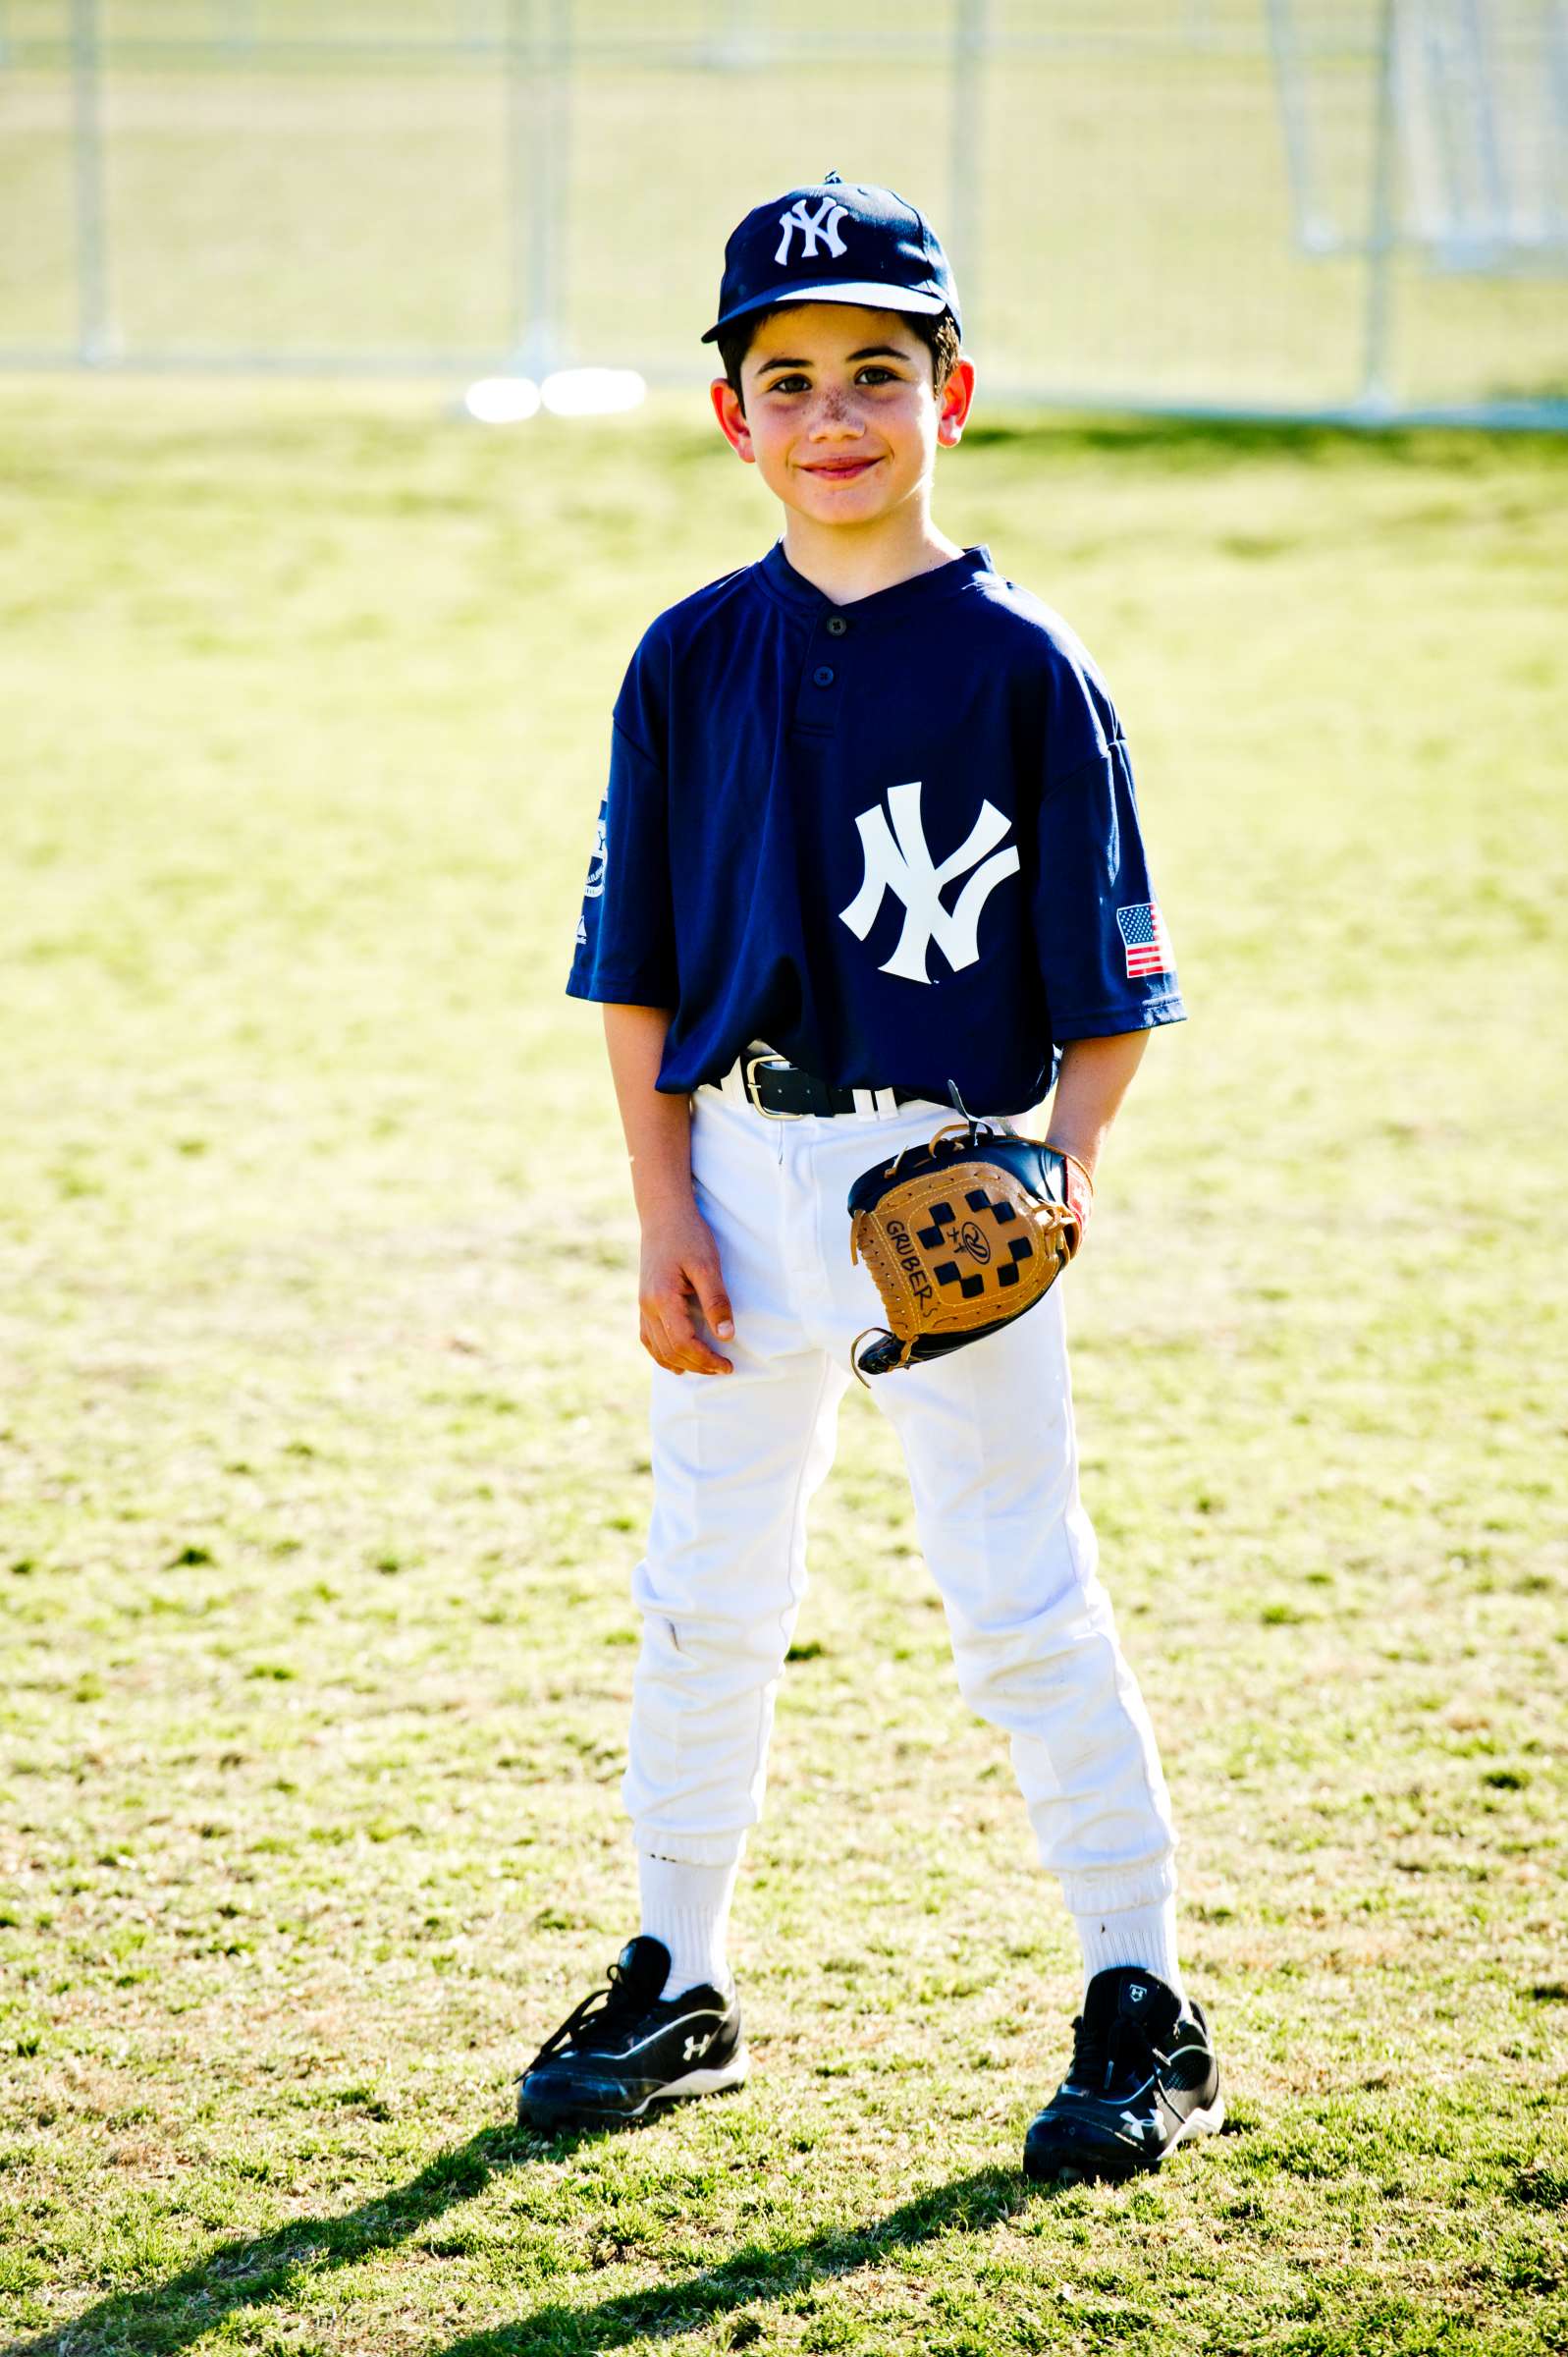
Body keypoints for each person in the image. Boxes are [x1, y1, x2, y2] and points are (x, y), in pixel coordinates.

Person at [518, 173, 1223, 2181]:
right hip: (735, 1166)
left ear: (952, 394)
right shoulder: (684, 657)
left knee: (1018, 1601)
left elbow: (1115, 985)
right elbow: (636, 970)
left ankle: (1138, 1992)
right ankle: (673, 1973)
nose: (836, 413)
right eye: (792, 377)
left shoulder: (1019, 665)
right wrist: (662, 1210)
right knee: (704, 1594)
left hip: (949, 1188)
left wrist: (1051, 1187)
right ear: (731, 414)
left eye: (878, 374)